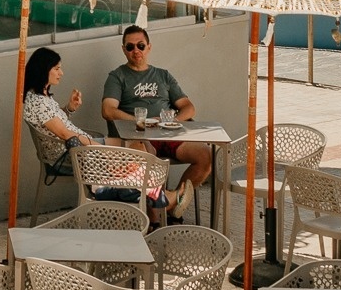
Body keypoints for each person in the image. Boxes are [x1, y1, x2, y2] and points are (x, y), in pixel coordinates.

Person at [99, 25, 212, 218]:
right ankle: (156, 217)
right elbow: (108, 111)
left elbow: (188, 107)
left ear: (149, 47)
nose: (136, 50)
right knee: (149, 160)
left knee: (206, 156)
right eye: (130, 47)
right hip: (137, 138)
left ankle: (170, 203)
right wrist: (141, 121)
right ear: (123, 49)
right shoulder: (117, 76)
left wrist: (169, 122)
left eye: (140, 46)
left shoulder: (163, 75)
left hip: (166, 134)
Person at [21, 47, 96, 174]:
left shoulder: (40, 96)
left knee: (126, 146)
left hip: (78, 148)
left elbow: (54, 122)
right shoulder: (39, 103)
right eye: (56, 69)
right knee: (125, 151)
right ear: (43, 71)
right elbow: (64, 133)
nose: (61, 73)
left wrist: (69, 108)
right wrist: (99, 147)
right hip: (70, 156)